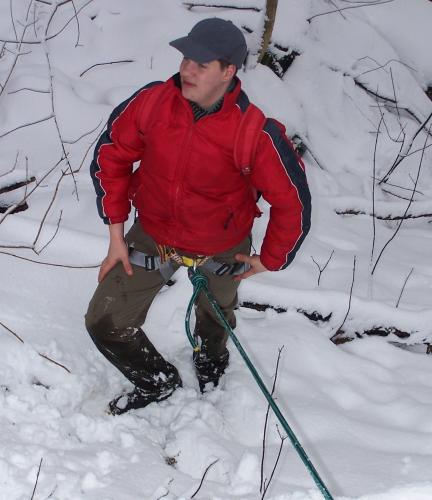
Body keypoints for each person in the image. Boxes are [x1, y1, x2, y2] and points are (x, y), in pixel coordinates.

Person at [85, 17, 311, 415]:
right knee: (105, 322)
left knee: (216, 319)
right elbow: (111, 158)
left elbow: (292, 202)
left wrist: (271, 259)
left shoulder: (255, 133)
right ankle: (158, 381)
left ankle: (211, 359)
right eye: (186, 58)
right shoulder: (152, 103)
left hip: (224, 247)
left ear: (228, 71)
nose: (187, 69)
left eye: (201, 64)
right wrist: (116, 236)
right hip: (152, 234)